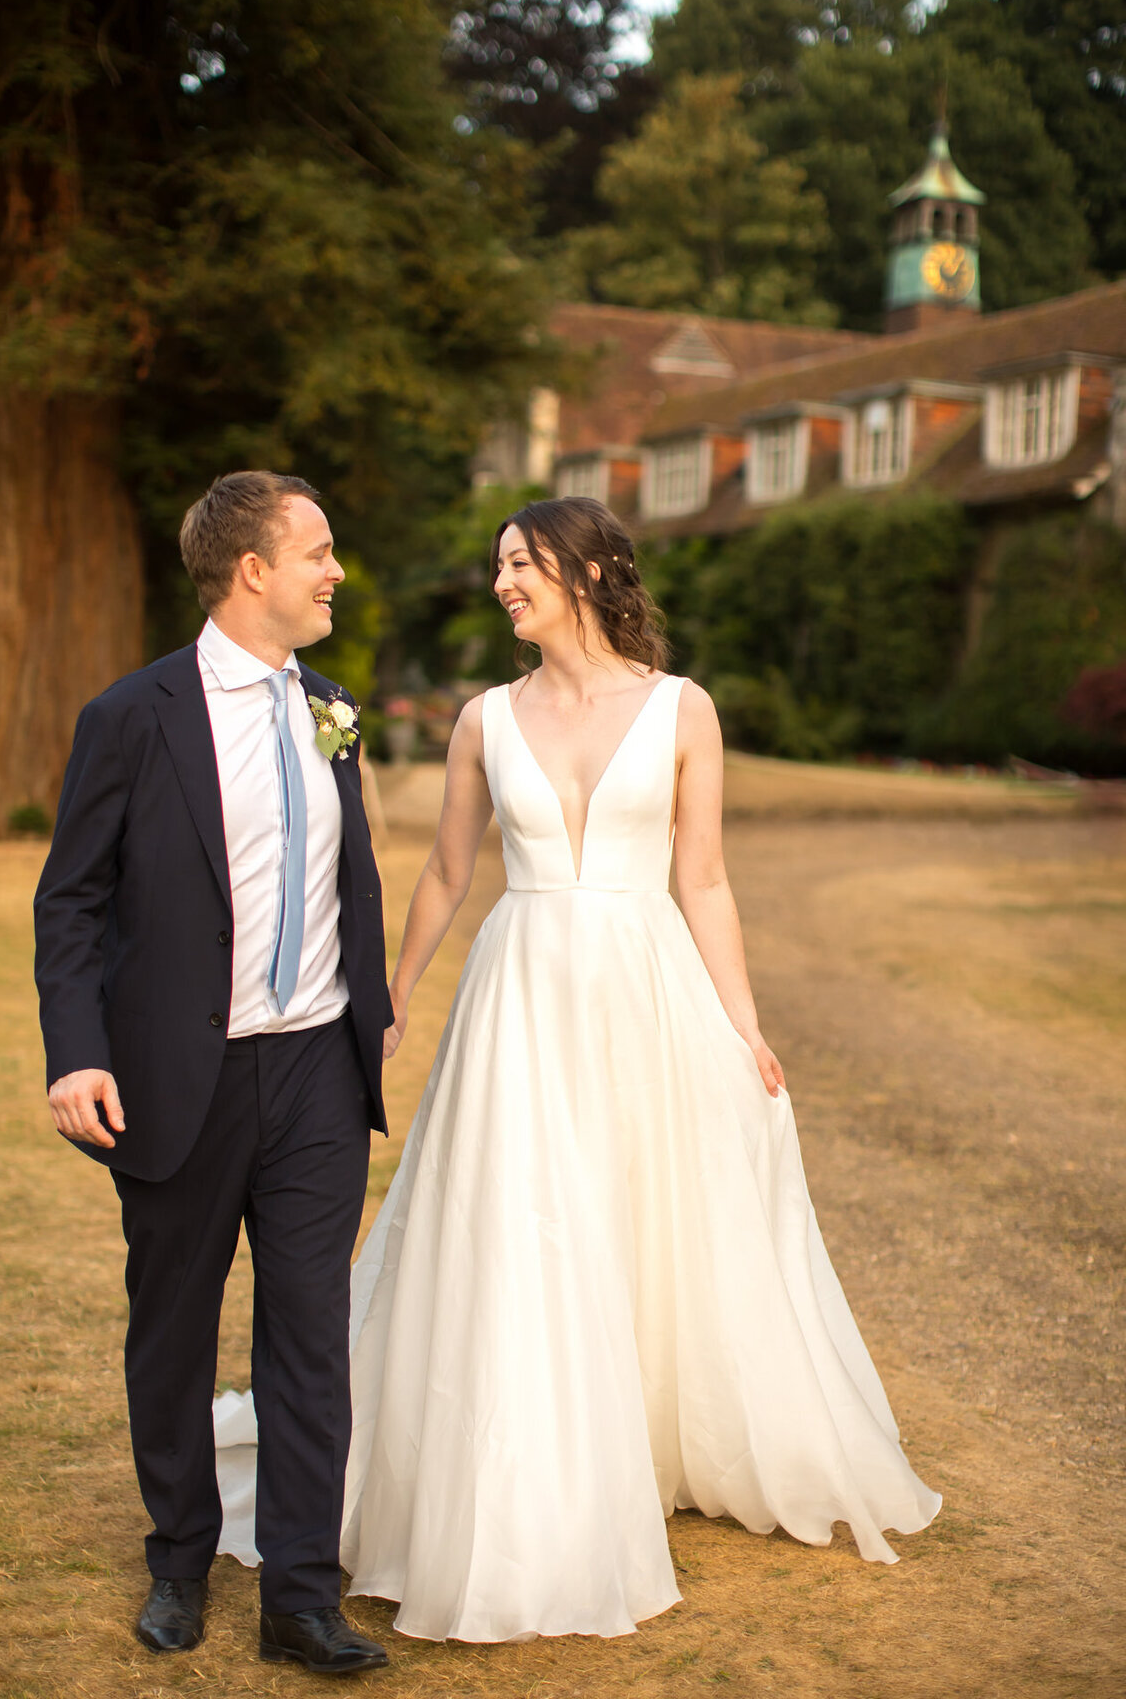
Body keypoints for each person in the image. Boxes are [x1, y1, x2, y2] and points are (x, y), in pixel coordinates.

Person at [217, 495, 941, 1641]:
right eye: (499, 564)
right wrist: (395, 994)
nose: (504, 582)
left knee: (645, 1211)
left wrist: (742, 1024)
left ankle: (649, 1431)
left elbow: (702, 879)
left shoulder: (682, 710)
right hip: (524, 997)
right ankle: (537, 1456)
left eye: (523, 562)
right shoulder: (483, 719)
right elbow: (450, 872)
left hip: (646, 987)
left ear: (590, 570)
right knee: (529, 1221)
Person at [34, 471, 392, 1675]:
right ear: (253, 571)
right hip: (180, 1077)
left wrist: (372, 1013)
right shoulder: (133, 717)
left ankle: (300, 1594)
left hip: (317, 1082)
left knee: (309, 1338)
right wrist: (75, 1051)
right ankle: (179, 1562)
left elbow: (353, 879)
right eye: (319, 552)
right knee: (173, 1333)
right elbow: (71, 901)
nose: (336, 571)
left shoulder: (332, 705)